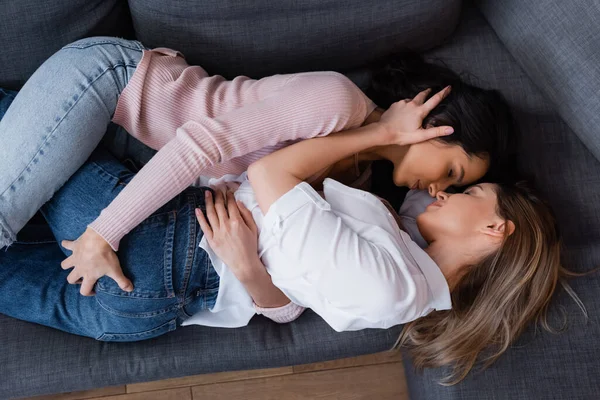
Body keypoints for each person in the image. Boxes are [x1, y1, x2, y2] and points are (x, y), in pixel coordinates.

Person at [0, 87, 580, 388]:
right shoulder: (403, 264)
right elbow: (288, 306)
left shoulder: (390, 287)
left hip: (167, 251)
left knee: (21, 127)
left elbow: (268, 174)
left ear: (494, 228)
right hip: (152, 304)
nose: (444, 193)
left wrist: (378, 129)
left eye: (468, 192)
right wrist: (251, 270)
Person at [0, 37, 513, 298]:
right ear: (434, 120)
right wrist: (101, 235)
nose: (436, 188)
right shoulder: (337, 98)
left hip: (132, 158)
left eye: (453, 188)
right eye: (450, 170)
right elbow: (201, 144)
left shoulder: (352, 182)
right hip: (119, 90)